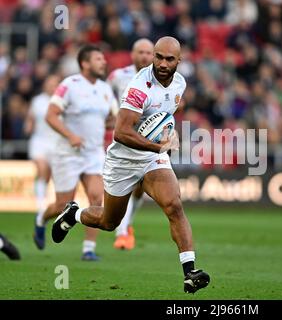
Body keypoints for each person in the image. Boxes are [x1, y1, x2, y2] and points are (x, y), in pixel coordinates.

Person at [51, 37, 210, 293]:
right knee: (108, 222)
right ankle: (74, 214)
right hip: (123, 160)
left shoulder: (180, 83)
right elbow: (121, 133)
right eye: (158, 57)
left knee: (174, 205)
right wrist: (158, 146)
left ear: (179, 61)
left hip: (151, 158)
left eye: (169, 59)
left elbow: (163, 117)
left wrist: (168, 134)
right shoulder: (139, 87)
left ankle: (190, 272)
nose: (162, 63)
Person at [34, 45, 118, 261]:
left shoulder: (105, 89)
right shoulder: (69, 85)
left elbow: (114, 118)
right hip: (68, 154)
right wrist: (71, 135)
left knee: (97, 198)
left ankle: (88, 249)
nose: (103, 62)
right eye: (98, 59)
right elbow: (51, 116)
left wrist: (110, 123)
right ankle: (41, 219)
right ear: (85, 63)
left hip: (93, 154)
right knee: (62, 205)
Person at [107, 38, 154, 250]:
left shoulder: (159, 77)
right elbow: (105, 99)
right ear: (132, 54)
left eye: (148, 52)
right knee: (124, 183)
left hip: (148, 137)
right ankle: (122, 231)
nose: (144, 56)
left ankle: (127, 224)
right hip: (123, 136)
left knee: (139, 188)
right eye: (140, 52)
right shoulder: (117, 76)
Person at [25, 75, 61, 237]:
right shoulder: (38, 101)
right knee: (42, 169)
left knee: (52, 176)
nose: (52, 86)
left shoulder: (62, 100)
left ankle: (50, 206)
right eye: (50, 83)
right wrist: (28, 126)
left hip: (57, 143)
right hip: (40, 141)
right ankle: (40, 206)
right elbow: (31, 118)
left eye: (55, 84)